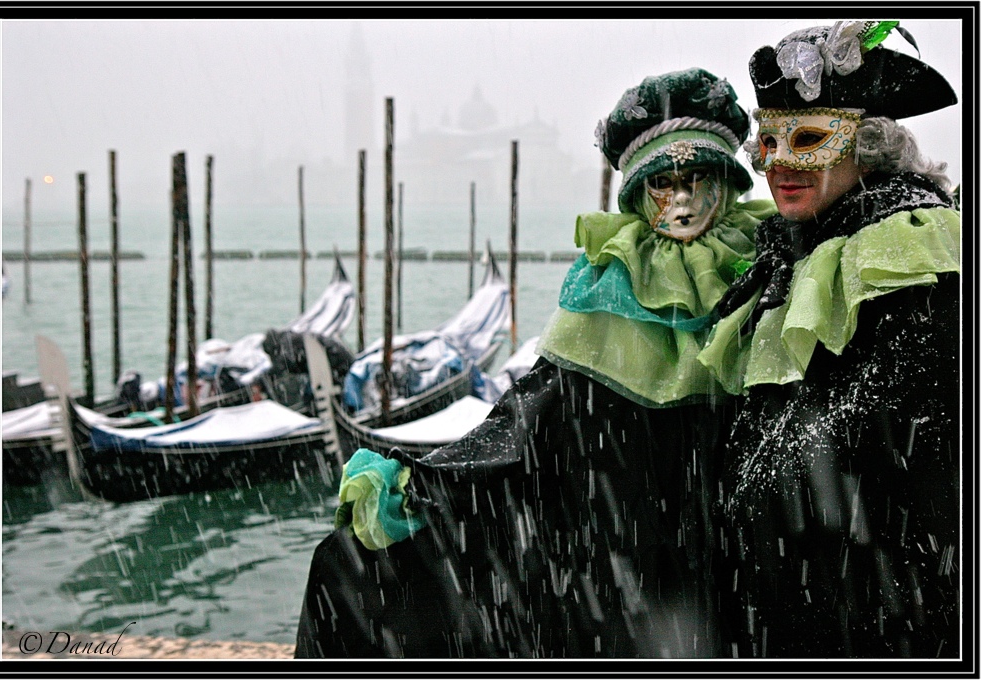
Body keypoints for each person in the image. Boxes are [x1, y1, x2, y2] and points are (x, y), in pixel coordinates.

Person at [294, 68, 775, 658]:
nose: (680, 200)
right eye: (662, 183)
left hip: (750, 541)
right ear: (635, 194)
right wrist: (425, 486)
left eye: (698, 178)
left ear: (727, 183)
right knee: (350, 571)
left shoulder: (781, 270)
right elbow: (532, 419)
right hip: (632, 543)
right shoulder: (609, 293)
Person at [696, 21, 961, 658]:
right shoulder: (787, 256)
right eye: (769, 141)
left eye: (810, 140)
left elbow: (908, 432)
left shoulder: (910, 255)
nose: (780, 163)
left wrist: (777, 491)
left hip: (881, 615)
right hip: (792, 610)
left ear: (866, 146)